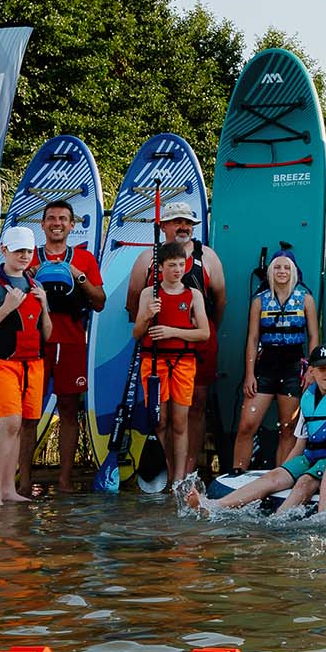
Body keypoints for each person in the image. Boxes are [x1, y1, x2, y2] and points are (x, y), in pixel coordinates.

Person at [188, 341, 326, 515]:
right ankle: (214, 505)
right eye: (322, 369)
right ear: (311, 371)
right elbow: (300, 445)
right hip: (312, 457)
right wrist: (286, 471)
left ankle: (279, 519)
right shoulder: (308, 397)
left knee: (305, 481)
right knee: (274, 476)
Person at [123, 202, 226, 480]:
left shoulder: (207, 257)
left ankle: (187, 472)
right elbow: (133, 303)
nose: (183, 227)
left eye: (188, 222)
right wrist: (149, 319)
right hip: (156, 349)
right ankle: (166, 471)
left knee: (196, 404)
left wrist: (192, 330)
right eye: (177, 221)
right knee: (161, 416)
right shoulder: (148, 259)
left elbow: (219, 301)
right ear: (164, 226)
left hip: (194, 345)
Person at [0, 228, 54, 507]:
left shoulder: (36, 285)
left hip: (33, 365)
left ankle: (8, 488)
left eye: (28, 251)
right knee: (10, 422)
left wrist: (45, 306)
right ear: (4, 250)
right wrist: (6, 307)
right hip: (2, 364)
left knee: (23, 424)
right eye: (18, 250)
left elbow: (47, 334)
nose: (24, 256)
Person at [32, 198, 105, 493]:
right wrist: (31, 275)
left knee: (68, 411)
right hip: (33, 344)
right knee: (28, 413)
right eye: (51, 218)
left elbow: (99, 302)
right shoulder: (29, 257)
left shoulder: (84, 259)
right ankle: (22, 481)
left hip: (71, 342)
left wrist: (78, 276)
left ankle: (64, 480)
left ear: (72, 225)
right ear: (42, 224)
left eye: (63, 219)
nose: (57, 223)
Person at [133, 240, 214, 491]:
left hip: (183, 362)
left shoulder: (193, 295)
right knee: (159, 421)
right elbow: (137, 333)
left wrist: (172, 331)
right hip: (154, 362)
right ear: (160, 267)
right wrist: (147, 315)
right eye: (172, 265)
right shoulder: (149, 294)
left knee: (180, 422)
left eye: (181, 265)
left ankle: (179, 479)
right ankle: (163, 474)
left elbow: (204, 333)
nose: (178, 270)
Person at [233, 250, 317, 474]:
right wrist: (249, 374)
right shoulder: (259, 300)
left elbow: (313, 337)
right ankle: (237, 473)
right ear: (271, 271)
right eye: (277, 267)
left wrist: (311, 370)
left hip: (293, 366)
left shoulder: (305, 299)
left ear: (294, 271)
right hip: (266, 365)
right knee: (247, 425)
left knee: (288, 428)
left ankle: (281, 476)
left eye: (287, 267)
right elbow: (252, 339)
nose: (282, 271)